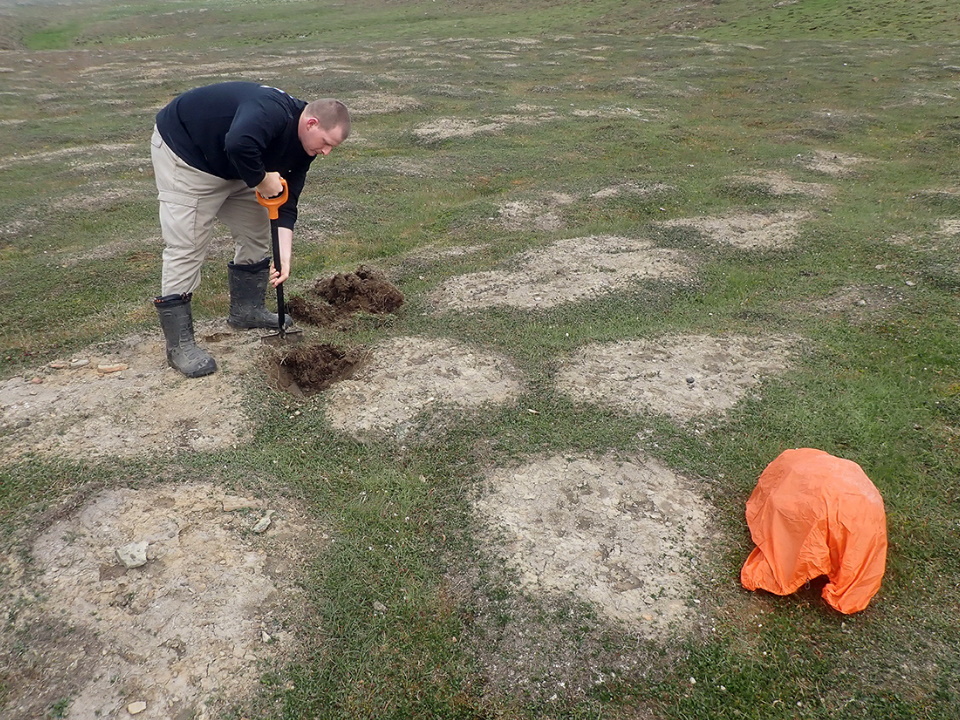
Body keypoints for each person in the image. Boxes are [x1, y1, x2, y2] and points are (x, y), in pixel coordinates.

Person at [150, 81, 350, 377]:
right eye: (326, 142)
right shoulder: (270, 111)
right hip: (189, 156)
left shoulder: (305, 148)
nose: (327, 152)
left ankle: (246, 311)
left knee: (256, 229)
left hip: (238, 164)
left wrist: (285, 259)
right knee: (187, 245)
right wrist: (260, 178)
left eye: (332, 147)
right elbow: (238, 143)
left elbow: (286, 203)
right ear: (311, 123)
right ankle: (180, 345)